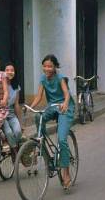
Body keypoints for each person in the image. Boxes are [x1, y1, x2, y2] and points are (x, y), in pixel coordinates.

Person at [28, 54, 74, 190]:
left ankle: (66, 172)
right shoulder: (43, 79)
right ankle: (45, 151)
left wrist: (65, 103)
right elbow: (39, 96)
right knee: (38, 117)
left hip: (65, 108)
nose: (47, 69)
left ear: (55, 67)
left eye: (50, 66)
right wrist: (31, 107)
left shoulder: (60, 78)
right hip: (52, 107)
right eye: (45, 66)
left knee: (62, 140)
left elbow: (66, 94)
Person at [2, 63, 23, 152]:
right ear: (3, 72)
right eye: (7, 70)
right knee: (9, 132)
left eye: (12, 70)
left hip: (11, 114)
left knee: (18, 132)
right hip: (1, 114)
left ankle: (11, 146)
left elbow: (17, 105)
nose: (10, 72)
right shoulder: (0, 85)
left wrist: (21, 122)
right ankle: (15, 151)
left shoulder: (16, 87)